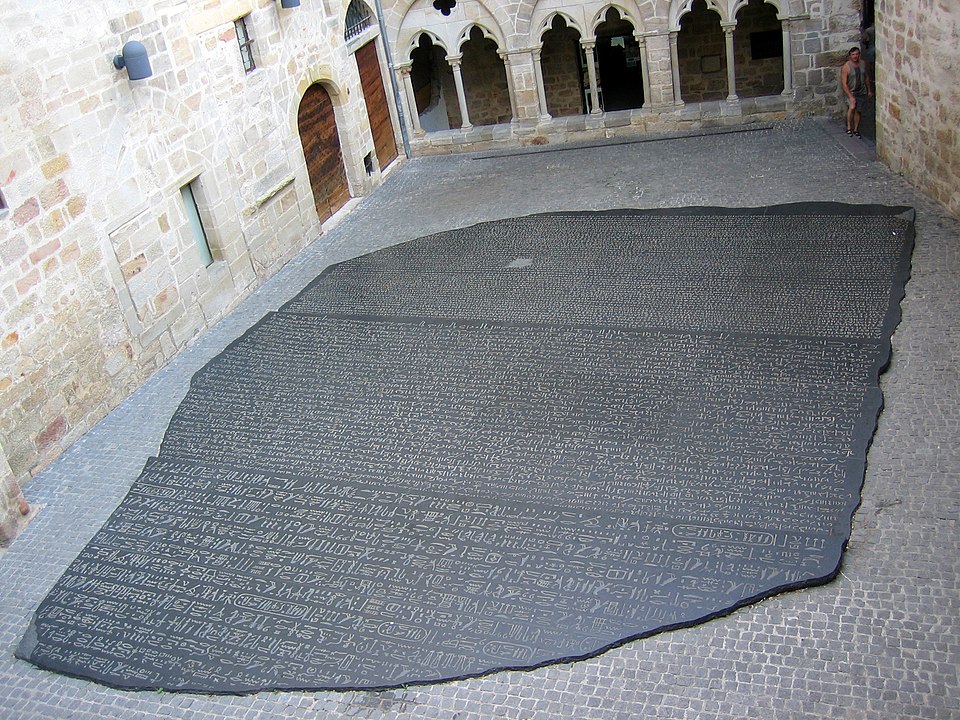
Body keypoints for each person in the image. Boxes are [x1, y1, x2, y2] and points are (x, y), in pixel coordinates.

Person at [841, 46, 872, 138]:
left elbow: (866, 77)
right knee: (852, 107)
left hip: (861, 90)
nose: (855, 56)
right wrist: (850, 96)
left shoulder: (862, 64)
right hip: (851, 91)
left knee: (858, 110)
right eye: (853, 54)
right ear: (850, 55)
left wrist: (869, 90)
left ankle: (856, 129)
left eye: (857, 54)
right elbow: (844, 83)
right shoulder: (846, 67)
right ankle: (849, 127)